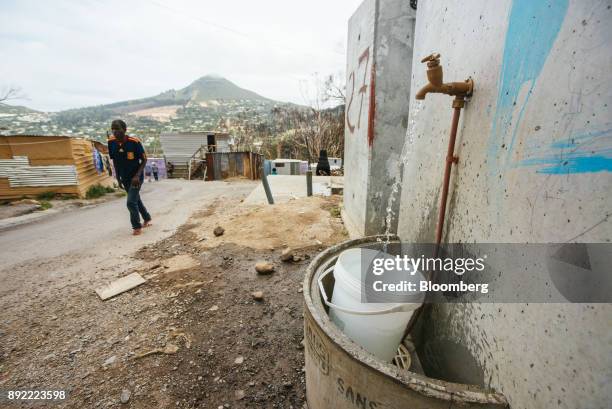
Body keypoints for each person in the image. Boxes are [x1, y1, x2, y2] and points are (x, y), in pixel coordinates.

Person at [108, 119, 152, 235]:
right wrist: (118, 178)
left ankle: (136, 227)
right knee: (136, 199)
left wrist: (137, 175)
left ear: (124, 130)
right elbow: (115, 161)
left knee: (130, 202)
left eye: (117, 129)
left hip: (136, 177)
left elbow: (144, 160)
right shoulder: (111, 142)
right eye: (112, 129)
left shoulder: (134, 142)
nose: (114, 132)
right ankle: (147, 218)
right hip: (124, 177)